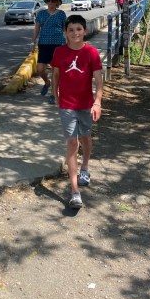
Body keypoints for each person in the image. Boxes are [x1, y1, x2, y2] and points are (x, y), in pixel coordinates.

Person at [51, 15, 103, 208]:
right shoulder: (59, 52)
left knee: (86, 137)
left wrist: (97, 102)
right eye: (71, 30)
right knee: (72, 143)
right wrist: (55, 95)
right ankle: (75, 191)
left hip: (86, 104)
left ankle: (85, 167)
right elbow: (56, 75)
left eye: (78, 29)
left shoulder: (91, 52)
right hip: (66, 105)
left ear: (85, 31)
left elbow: (98, 81)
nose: (75, 33)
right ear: (65, 32)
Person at [32, 0, 66, 104]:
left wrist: (69, 44)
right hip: (43, 44)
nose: (51, 3)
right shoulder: (41, 14)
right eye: (49, 0)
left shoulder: (61, 14)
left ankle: (53, 94)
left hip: (58, 45)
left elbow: (65, 29)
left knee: (56, 70)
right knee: (40, 69)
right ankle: (47, 82)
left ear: (57, 2)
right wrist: (32, 43)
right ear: (47, 1)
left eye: (53, 1)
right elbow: (37, 29)